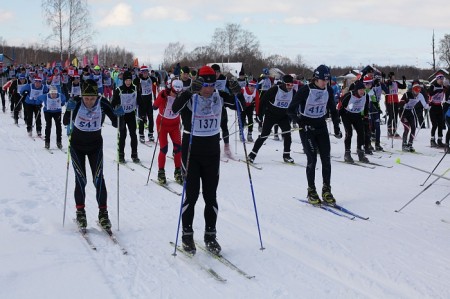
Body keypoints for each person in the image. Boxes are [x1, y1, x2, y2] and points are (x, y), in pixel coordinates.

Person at [171, 65, 243, 255]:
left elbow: (241, 107)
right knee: (192, 195)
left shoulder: (219, 96)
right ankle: (187, 235)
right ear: (198, 83)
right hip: (191, 152)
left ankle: (210, 236)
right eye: (205, 85)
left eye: (212, 85)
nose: (208, 89)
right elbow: (174, 108)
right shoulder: (191, 96)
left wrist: (237, 92)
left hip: (211, 152)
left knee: (210, 196)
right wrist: (188, 92)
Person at [63, 79, 119, 229]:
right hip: (77, 147)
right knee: (81, 179)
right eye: (86, 98)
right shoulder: (76, 101)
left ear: (97, 96)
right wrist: (69, 109)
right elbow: (64, 121)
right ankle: (80, 212)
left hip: (95, 147)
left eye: (92, 98)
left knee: (98, 179)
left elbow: (116, 122)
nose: (89, 102)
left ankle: (103, 214)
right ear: (82, 96)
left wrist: (120, 115)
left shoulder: (103, 103)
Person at [288, 65, 342, 205]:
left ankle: (326, 189)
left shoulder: (328, 90)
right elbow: (290, 110)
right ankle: (311, 190)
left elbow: (333, 110)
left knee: (326, 159)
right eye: (322, 80)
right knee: (312, 159)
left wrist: (336, 127)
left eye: (327, 80)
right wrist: (300, 122)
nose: (325, 83)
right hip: (307, 128)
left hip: (321, 126)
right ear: (315, 79)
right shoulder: (305, 90)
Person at [247, 74, 296, 164]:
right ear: (283, 84)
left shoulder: (293, 92)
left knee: (287, 133)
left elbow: (296, 104)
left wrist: (296, 115)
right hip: (271, 115)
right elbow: (263, 101)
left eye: (292, 85)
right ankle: (252, 155)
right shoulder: (275, 90)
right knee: (264, 135)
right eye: (288, 85)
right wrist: (259, 115)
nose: (290, 87)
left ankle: (286, 155)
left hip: (283, 116)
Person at [153, 79, 184, 185]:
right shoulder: (164, 94)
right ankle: (161, 172)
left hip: (175, 125)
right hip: (162, 124)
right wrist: (162, 96)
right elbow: (154, 106)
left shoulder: (181, 96)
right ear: (171, 88)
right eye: (175, 92)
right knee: (164, 148)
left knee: (178, 148)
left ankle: (178, 171)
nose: (176, 95)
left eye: (178, 93)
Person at [111, 70, 140, 163]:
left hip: (131, 114)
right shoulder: (119, 90)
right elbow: (113, 103)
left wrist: (143, 113)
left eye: (129, 80)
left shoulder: (135, 88)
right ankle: (121, 155)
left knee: (133, 135)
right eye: (126, 80)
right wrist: (116, 110)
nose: (128, 82)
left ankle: (134, 154)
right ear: (124, 80)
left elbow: (140, 101)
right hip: (122, 115)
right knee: (123, 135)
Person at [339, 80, 370, 163]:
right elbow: (341, 106)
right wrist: (338, 118)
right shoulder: (349, 95)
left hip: (357, 115)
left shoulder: (366, 96)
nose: (362, 92)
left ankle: (360, 153)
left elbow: (366, 106)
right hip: (346, 115)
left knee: (361, 133)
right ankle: (347, 154)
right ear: (356, 90)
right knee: (349, 133)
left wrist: (366, 116)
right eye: (360, 90)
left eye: (363, 90)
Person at [399, 80, 429, 152]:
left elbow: (424, 105)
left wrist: (428, 106)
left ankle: (410, 144)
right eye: (416, 90)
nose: (417, 92)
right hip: (403, 112)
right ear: (413, 90)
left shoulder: (420, 95)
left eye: (419, 90)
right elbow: (400, 104)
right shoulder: (407, 94)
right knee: (406, 128)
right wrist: (404, 102)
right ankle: (404, 144)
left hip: (410, 111)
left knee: (413, 127)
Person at [210, 64, 233, 158]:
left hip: (222, 107)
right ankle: (213, 148)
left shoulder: (224, 79)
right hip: (211, 108)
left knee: (224, 127)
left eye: (218, 72)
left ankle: (227, 147)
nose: (216, 74)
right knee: (214, 129)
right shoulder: (208, 79)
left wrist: (231, 90)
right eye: (214, 72)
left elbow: (230, 91)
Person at [134, 65, 158, 143]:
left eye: (146, 72)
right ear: (141, 72)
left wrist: (156, 82)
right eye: (143, 72)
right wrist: (138, 77)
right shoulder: (139, 80)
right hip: (141, 102)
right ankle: (141, 135)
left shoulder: (151, 78)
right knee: (142, 119)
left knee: (151, 118)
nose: (145, 73)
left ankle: (150, 134)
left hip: (149, 101)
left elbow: (157, 81)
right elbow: (134, 82)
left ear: (148, 72)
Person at [381, 72, 407, 137]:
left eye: (394, 76)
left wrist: (404, 81)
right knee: (391, 116)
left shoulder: (396, 83)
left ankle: (394, 130)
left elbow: (403, 87)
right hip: (389, 101)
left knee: (395, 116)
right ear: (390, 76)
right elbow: (384, 85)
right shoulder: (388, 82)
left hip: (395, 100)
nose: (394, 77)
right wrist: (383, 78)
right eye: (392, 76)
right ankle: (389, 130)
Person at [427, 74, 446, 147]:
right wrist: (438, 91)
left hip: (439, 107)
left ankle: (440, 140)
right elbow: (430, 93)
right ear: (437, 79)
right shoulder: (433, 86)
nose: (441, 81)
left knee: (441, 124)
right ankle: (432, 140)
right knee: (435, 124)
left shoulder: (442, 86)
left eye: (442, 79)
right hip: (433, 107)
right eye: (440, 79)